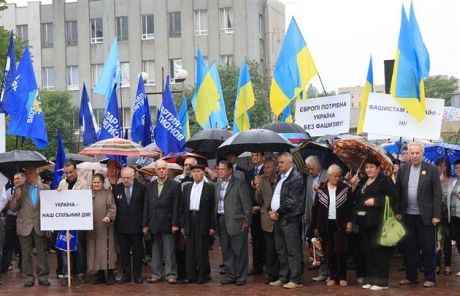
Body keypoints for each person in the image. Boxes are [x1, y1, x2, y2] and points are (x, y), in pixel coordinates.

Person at [396, 142, 442, 288]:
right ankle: (411, 277)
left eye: (418, 153)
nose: (415, 155)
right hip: (408, 216)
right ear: (408, 154)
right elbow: (398, 193)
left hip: (426, 217)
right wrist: (398, 212)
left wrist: (436, 215)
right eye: (412, 153)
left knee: (428, 247)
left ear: (422, 154)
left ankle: (430, 277)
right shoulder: (402, 170)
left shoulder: (431, 169)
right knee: (410, 248)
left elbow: (437, 193)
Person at [351, 157, 398, 290]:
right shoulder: (364, 181)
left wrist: (376, 201)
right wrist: (354, 186)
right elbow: (357, 198)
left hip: (379, 221)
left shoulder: (384, 180)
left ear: (378, 168)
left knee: (380, 252)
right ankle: (371, 279)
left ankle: (381, 282)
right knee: (369, 251)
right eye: (367, 167)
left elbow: (394, 197)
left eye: (372, 167)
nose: (369, 170)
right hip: (365, 222)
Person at [311, 164, 353, 287]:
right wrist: (314, 226)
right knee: (329, 252)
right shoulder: (321, 189)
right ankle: (333, 276)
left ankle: (342, 276)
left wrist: (350, 221)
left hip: (340, 223)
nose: (337, 178)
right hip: (325, 224)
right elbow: (316, 209)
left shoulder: (345, 188)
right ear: (329, 176)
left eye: (339, 176)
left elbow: (350, 207)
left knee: (340, 250)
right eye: (335, 176)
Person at [268, 152, 305, 289]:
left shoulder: (296, 177)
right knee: (281, 250)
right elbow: (276, 196)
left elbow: (292, 201)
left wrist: (277, 212)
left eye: (282, 162)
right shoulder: (280, 177)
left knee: (292, 250)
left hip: (290, 219)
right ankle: (283, 277)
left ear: (290, 163)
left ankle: (296, 279)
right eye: (279, 162)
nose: (279, 165)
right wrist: (270, 210)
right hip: (278, 218)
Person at [10, 167, 51, 287]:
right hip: (24, 225)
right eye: (26, 173)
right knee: (25, 253)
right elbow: (12, 207)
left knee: (42, 253)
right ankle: (28, 278)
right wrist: (16, 198)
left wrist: (50, 225)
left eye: (30, 173)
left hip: (40, 225)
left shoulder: (46, 188)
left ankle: (43, 277)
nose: (27, 175)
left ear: (36, 174)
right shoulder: (19, 189)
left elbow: (50, 206)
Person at [143, 159, 181, 284]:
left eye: (163, 168)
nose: (161, 171)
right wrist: (145, 224)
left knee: (169, 250)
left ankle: (171, 274)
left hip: (169, 223)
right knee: (155, 251)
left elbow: (177, 206)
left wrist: (175, 223)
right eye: (159, 169)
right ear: (155, 171)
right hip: (153, 223)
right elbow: (146, 206)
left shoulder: (175, 185)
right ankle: (156, 274)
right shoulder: (149, 186)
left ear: (167, 170)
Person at [215, 160, 252, 286]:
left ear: (230, 170)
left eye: (222, 169)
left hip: (237, 221)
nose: (220, 171)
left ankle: (241, 277)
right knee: (226, 250)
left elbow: (247, 205)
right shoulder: (218, 184)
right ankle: (230, 275)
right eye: (218, 169)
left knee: (239, 251)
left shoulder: (239, 184)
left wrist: (246, 222)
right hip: (221, 219)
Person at [180, 164, 215, 284]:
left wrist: (212, 226)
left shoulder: (209, 188)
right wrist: (183, 225)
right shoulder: (187, 187)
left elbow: (212, 208)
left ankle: (203, 275)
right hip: (190, 218)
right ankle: (191, 275)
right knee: (190, 249)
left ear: (203, 173)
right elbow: (183, 208)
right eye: (194, 171)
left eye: (198, 171)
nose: (195, 174)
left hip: (203, 219)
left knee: (201, 249)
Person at [57, 161, 89, 284]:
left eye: (71, 172)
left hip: (79, 221)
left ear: (76, 171)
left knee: (80, 248)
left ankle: (81, 273)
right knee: (65, 249)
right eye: (66, 172)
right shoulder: (62, 183)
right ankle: (66, 274)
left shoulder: (83, 183)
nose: (69, 175)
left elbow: (85, 201)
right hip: (66, 221)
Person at [112, 167, 145, 284]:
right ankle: (126, 275)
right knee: (124, 252)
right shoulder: (116, 189)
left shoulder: (141, 188)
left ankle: (137, 275)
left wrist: (144, 224)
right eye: (124, 178)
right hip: (122, 226)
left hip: (137, 225)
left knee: (137, 252)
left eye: (128, 178)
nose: (126, 180)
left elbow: (145, 207)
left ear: (133, 176)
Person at [86, 173, 117, 285]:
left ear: (102, 183)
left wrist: (108, 216)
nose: (96, 184)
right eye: (94, 182)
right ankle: (99, 274)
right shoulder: (88, 194)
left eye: (98, 182)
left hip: (105, 227)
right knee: (95, 250)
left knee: (106, 250)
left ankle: (109, 274)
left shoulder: (108, 193)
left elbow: (112, 207)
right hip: (92, 228)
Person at [254, 157, 279, 284]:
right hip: (266, 219)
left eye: (268, 167)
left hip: (280, 218)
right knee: (269, 249)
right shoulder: (262, 180)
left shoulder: (281, 179)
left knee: (279, 248)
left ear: (275, 168)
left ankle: (282, 273)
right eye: (265, 167)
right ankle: (271, 274)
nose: (266, 170)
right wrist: (257, 187)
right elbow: (258, 200)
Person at [304, 155, 329, 282]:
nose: (310, 171)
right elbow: (308, 198)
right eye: (308, 169)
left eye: (311, 168)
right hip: (312, 214)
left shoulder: (327, 175)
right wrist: (307, 216)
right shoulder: (309, 178)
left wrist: (321, 188)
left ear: (318, 166)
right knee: (315, 243)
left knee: (325, 244)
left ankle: (327, 271)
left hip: (324, 215)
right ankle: (322, 271)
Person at [1, 172, 25, 274]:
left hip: (23, 219)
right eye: (15, 179)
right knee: (7, 243)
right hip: (11, 219)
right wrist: (8, 201)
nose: (16, 181)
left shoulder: (27, 190)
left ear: (24, 179)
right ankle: (4, 266)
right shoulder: (8, 190)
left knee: (22, 244)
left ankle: (23, 267)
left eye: (18, 179)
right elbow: (5, 207)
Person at [246, 152, 265, 276]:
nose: (254, 157)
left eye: (257, 155)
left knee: (267, 240)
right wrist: (250, 206)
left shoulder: (267, 170)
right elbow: (247, 191)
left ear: (262, 157)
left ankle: (268, 264)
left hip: (265, 210)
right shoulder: (249, 172)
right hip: (254, 211)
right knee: (256, 239)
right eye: (252, 155)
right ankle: (257, 266)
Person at [435, 158, 452, 275]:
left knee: (447, 241)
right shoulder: (434, 180)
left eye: (445, 166)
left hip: (448, 215)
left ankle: (447, 265)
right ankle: (436, 264)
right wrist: (438, 184)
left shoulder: (453, 181)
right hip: (437, 214)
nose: (442, 168)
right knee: (437, 240)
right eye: (440, 165)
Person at [445, 159, 460, 276]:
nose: (458, 170)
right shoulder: (453, 181)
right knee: (457, 241)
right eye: (457, 168)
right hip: (453, 216)